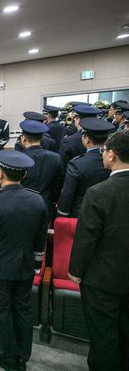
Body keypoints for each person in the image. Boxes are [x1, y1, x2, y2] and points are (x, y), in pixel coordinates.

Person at [0, 150, 48, 371]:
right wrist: (37, 263)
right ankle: (23, 354)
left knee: (3, 311)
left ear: (0, 174)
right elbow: (40, 237)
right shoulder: (38, 201)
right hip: (26, 266)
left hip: (1, 268)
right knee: (23, 309)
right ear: (23, 176)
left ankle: (8, 355)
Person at [68, 130, 129, 371]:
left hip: (102, 279)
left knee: (103, 337)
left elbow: (87, 238)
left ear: (112, 155)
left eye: (104, 151)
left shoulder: (98, 193)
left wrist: (75, 270)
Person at [57, 117, 115, 217]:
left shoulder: (77, 164)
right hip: (110, 213)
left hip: (82, 214)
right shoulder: (114, 160)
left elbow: (68, 194)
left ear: (86, 139)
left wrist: (62, 213)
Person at [17, 119, 63, 213]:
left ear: (23, 138)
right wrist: (53, 199)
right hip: (46, 202)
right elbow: (58, 183)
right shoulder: (55, 157)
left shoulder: (19, 159)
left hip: (22, 202)